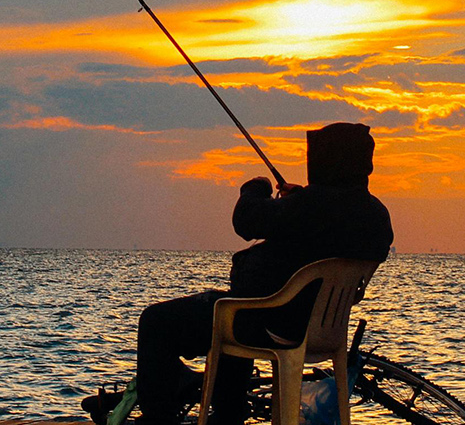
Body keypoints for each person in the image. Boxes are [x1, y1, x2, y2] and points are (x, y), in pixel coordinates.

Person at [122, 122, 394, 425]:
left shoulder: (309, 207)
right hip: (318, 331)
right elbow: (325, 222)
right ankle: (227, 414)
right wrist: (299, 198)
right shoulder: (376, 215)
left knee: (157, 321)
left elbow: (247, 220)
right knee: (236, 306)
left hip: (270, 322)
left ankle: (159, 418)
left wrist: (257, 187)